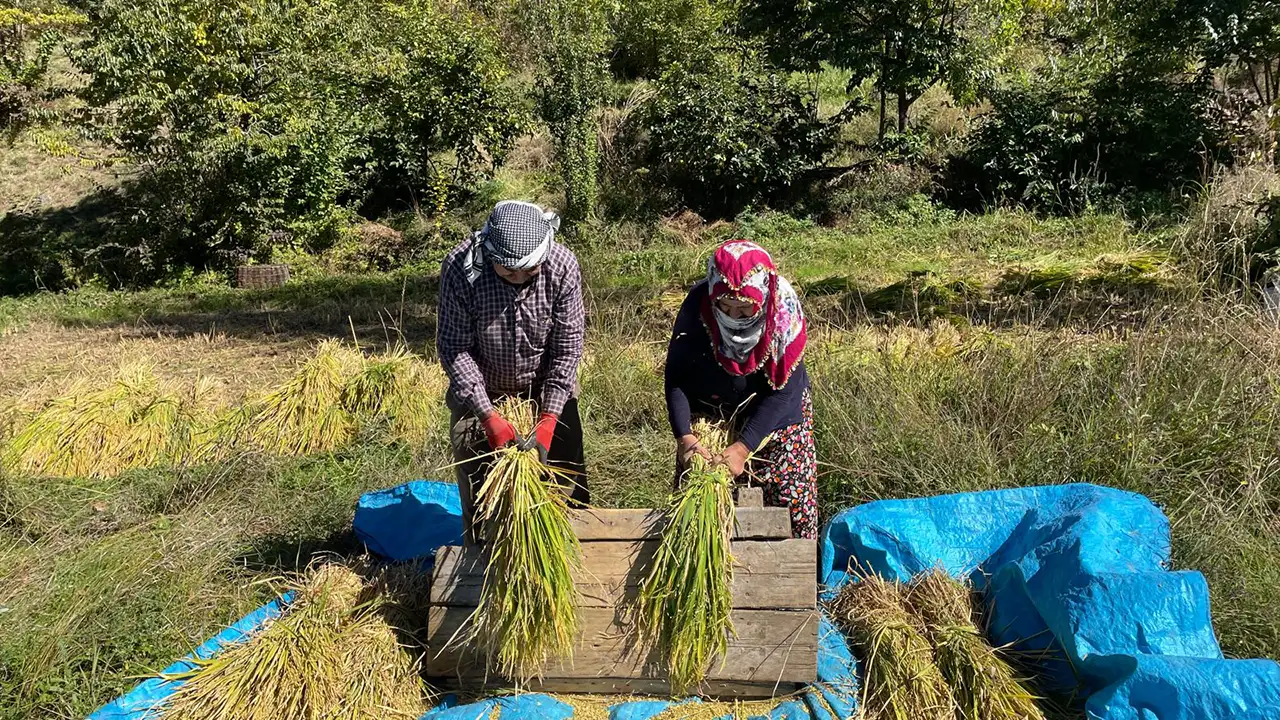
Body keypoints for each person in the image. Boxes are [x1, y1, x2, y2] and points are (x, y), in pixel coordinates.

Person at [437, 200, 587, 544]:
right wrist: (488, 416)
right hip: (483, 389)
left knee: (563, 480)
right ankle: (483, 555)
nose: (519, 278)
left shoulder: (562, 265)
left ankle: (568, 546)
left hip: (546, 387)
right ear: (490, 255)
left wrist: (548, 419)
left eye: (529, 271)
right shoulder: (461, 267)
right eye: (508, 272)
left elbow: (567, 348)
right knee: (481, 487)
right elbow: (454, 348)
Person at [664, 239, 818, 539]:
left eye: (745, 310)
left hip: (775, 416)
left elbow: (784, 391)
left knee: (792, 506)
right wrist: (686, 437)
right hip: (712, 412)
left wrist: (743, 447)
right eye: (725, 307)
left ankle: (794, 565)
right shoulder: (698, 305)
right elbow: (677, 376)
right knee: (696, 506)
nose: (733, 318)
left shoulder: (781, 311)